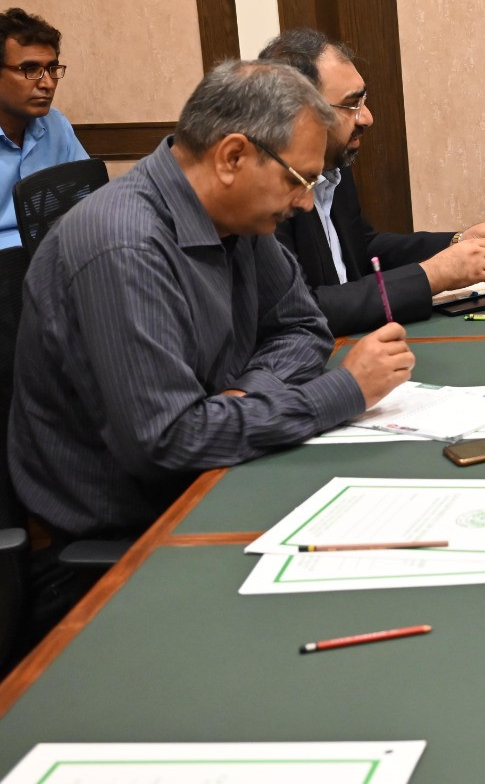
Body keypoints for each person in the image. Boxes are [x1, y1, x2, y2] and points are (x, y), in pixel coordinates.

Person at [8, 59, 415, 549]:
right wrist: (343, 391)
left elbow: (304, 327)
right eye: (298, 180)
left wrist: (243, 398)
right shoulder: (124, 245)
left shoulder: (236, 216)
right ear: (232, 158)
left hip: (216, 478)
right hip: (131, 536)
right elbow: (172, 443)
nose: (306, 203)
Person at [260, 29, 485, 336]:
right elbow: (306, 310)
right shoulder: (265, 192)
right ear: (300, 114)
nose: (367, 118)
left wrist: (456, 242)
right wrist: (432, 276)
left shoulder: (333, 163)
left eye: (364, 99)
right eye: (351, 105)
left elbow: (361, 249)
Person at [0, 8, 89, 248]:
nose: (48, 83)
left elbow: (86, 203)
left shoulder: (55, 125)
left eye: (52, 69)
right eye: (31, 70)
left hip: (53, 256)